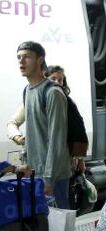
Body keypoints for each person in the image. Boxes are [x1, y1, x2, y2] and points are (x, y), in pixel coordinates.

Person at [16, 41, 71, 209]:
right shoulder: (28, 90)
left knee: (60, 223)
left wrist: (49, 178)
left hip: (53, 176)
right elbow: (34, 132)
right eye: (19, 57)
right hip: (33, 171)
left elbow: (57, 140)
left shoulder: (52, 92)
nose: (21, 61)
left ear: (40, 61)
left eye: (27, 57)